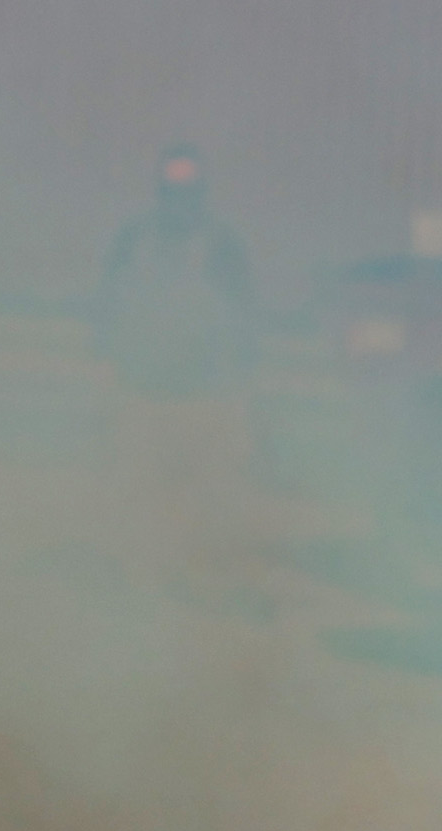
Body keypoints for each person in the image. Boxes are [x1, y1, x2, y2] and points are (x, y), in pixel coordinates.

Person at [97, 147, 264, 608]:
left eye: (188, 190)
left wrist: (244, 377)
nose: (179, 202)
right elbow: (107, 303)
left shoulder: (223, 244)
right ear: (159, 191)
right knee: (140, 493)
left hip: (208, 395)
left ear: (202, 192)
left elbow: (245, 309)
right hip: (144, 391)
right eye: (171, 190)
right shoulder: (133, 240)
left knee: (215, 496)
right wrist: (108, 360)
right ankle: (145, 581)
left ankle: (208, 579)